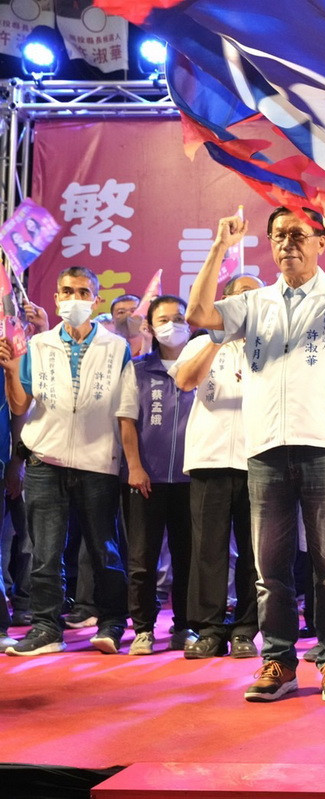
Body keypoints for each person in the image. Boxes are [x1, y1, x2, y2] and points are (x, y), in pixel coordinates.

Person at [185, 206, 325, 703]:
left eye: (298, 234)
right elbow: (198, 316)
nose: (287, 244)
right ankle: (278, 661)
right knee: (270, 570)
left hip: (324, 447)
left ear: (319, 242)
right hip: (265, 448)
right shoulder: (255, 302)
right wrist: (219, 247)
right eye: (278, 236)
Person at [3, 266, 136, 657]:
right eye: (67, 291)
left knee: (104, 550)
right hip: (46, 460)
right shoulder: (38, 344)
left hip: (98, 461)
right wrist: (11, 371)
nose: (74, 299)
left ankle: (112, 622)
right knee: (45, 552)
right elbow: (20, 405)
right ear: (57, 298)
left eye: (82, 292)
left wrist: (130, 462)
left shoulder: (116, 347)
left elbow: (126, 410)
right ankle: (47, 627)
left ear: (95, 300)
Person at [172, 274, 264, 660]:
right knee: (208, 548)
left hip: (257, 459)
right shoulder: (200, 342)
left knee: (253, 551)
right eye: (241, 295)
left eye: (255, 296)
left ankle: (245, 629)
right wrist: (217, 337)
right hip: (209, 458)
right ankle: (209, 629)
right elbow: (184, 380)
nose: (248, 302)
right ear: (225, 302)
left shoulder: (269, 344)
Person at [118, 295, 199, 656]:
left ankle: (184, 626)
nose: (172, 325)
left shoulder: (202, 367)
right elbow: (126, 421)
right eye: (164, 319)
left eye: (179, 318)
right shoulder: (137, 370)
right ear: (149, 327)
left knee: (188, 557)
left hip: (190, 480)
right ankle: (143, 629)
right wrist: (135, 466)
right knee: (142, 558)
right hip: (145, 479)